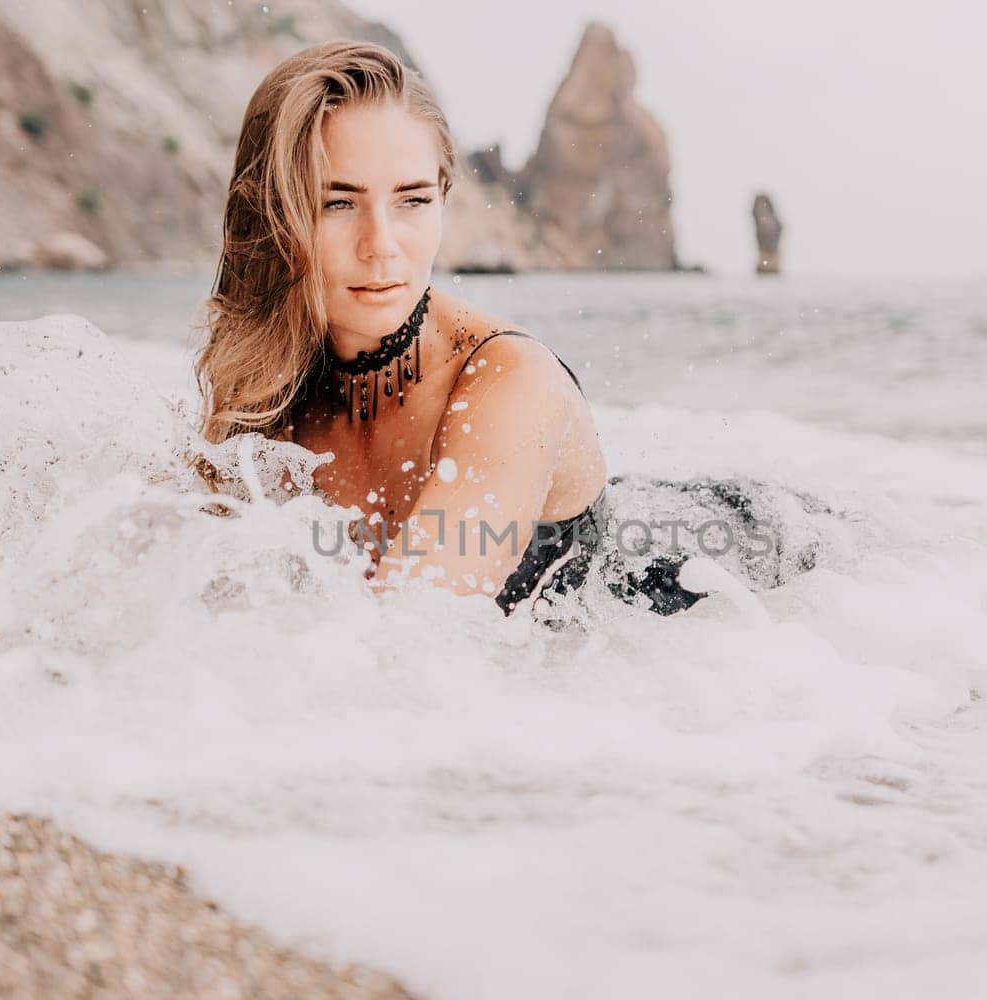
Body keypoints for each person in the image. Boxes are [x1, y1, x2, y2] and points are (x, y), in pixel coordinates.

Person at [194, 40, 716, 616]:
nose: (382, 247)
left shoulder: (509, 381)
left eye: (412, 200)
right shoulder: (271, 387)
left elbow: (409, 631)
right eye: (337, 204)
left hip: (719, 586)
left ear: (444, 197)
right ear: (275, 214)